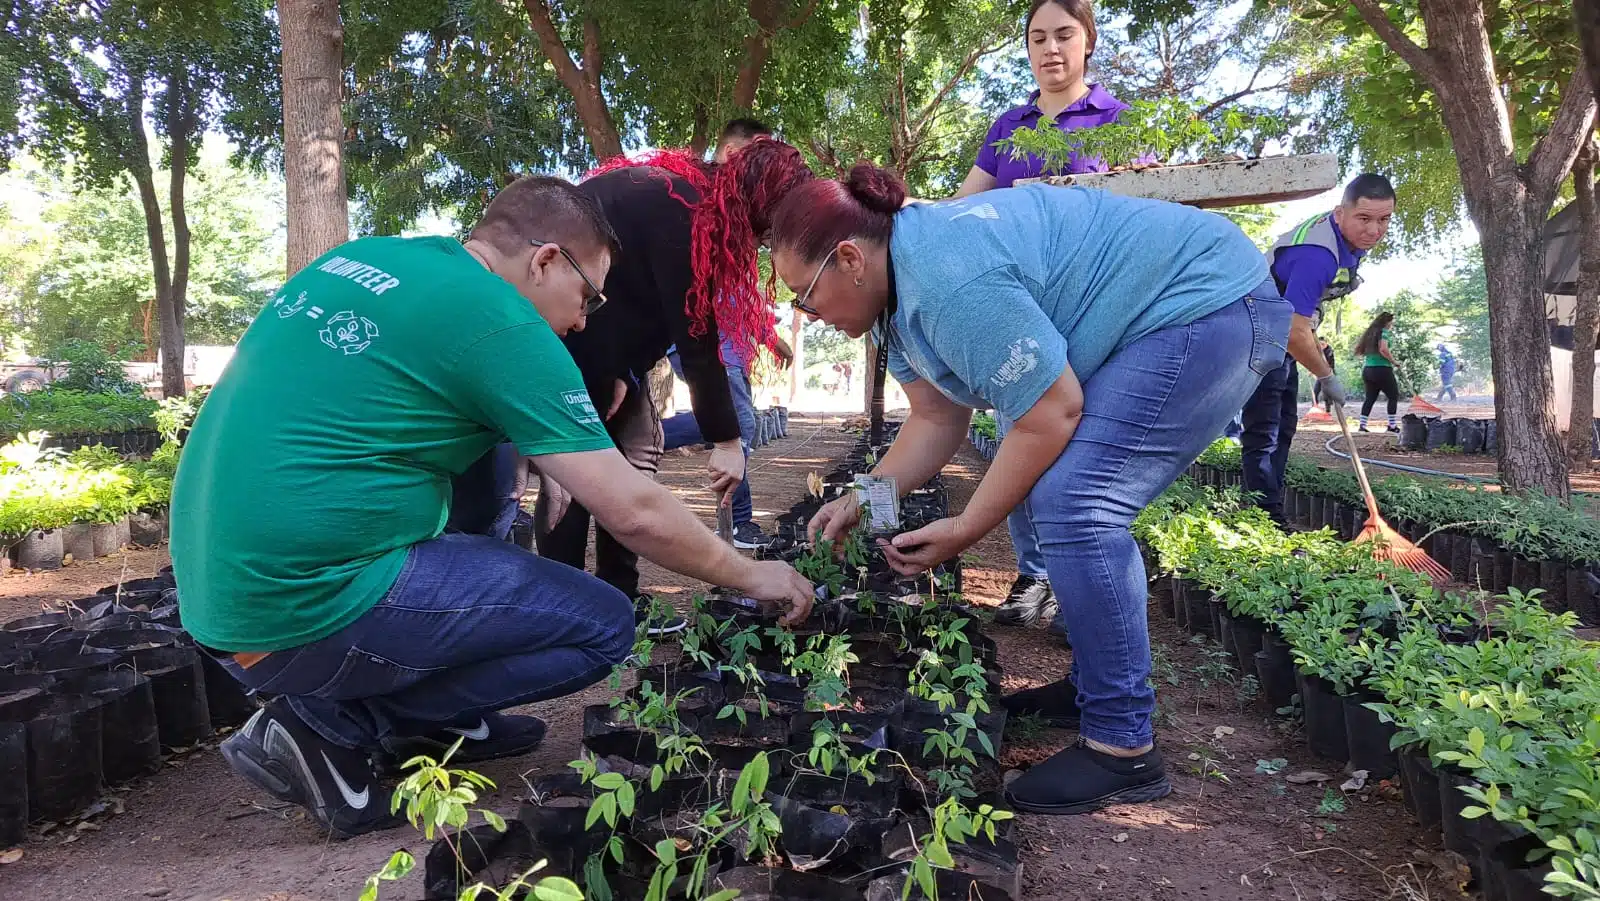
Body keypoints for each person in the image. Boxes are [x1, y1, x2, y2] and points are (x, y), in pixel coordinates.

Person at [170, 176, 815, 839]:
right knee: (604, 624)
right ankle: (330, 726)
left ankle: (442, 718)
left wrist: (542, 449)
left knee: (484, 508)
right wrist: (751, 573)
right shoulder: (502, 323)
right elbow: (635, 513)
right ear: (544, 261)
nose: (585, 319)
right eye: (588, 294)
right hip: (299, 610)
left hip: (220, 597)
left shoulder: (378, 259)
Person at [771, 163, 1290, 815]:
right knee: (1060, 494)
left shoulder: (946, 278)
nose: (806, 315)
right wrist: (865, 499)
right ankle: (1092, 688)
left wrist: (964, 529)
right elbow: (937, 419)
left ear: (849, 259)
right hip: (1161, 315)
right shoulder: (890, 306)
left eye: (805, 295)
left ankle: (1124, 749)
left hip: (1206, 304)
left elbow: (1050, 411)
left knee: (1077, 502)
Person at [536, 138, 815, 629]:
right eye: (767, 231)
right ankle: (560, 608)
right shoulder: (681, 210)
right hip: (567, 338)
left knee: (635, 460)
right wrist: (728, 440)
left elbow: (640, 305)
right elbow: (694, 335)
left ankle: (618, 596)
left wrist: (623, 372)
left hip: (606, 344)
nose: (763, 244)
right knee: (578, 474)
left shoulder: (685, 197)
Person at [953, 0, 1140, 629]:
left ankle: (1074, 585)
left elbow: (1140, 216)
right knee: (1018, 440)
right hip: (1020, 311)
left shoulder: (1117, 121)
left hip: (1095, 308)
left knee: (1083, 451)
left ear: (1088, 39)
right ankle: (1032, 576)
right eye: (1038, 38)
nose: (1051, 49)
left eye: (1064, 35)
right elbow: (963, 207)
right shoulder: (1009, 125)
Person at [1239, 174, 1395, 524]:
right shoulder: (1317, 255)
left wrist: (1315, 339)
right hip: (1257, 336)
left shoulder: (1345, 243)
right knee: (1264, 431)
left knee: (1283, 427)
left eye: (1384, 219)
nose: (1374, 230)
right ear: (1341, 213)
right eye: (1364, 218)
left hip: (1279, 336)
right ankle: (1266, 519)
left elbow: (1300, 320)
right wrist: (1326, 376)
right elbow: (1294, 331)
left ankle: (1267, 508)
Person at [1355, 312, 1402, 432]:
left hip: (1368, 370)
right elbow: (1383, 349)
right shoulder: (1383, 333)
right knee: (1393, 396)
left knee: (1370, 397)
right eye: (1391, 321)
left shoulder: (1370, 334)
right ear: (1387, 322)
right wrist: (1394, 362)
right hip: (1382, 369)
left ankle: (1362, 425)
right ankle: (1392, 425)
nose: (1392, 324)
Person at [1311, 336, 1337, 411]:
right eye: (1320, 344)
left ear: (1326, 344)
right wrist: (1312, 371)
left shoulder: (1329, 351)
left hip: (1329, 373)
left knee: (1327, 393)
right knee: (1316, 390)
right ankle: (1314, 407)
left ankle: (1328, 409)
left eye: (1323, 344)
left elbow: (1327, 363)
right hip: (1320, 373)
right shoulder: (1317, 350)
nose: (1321, 346)